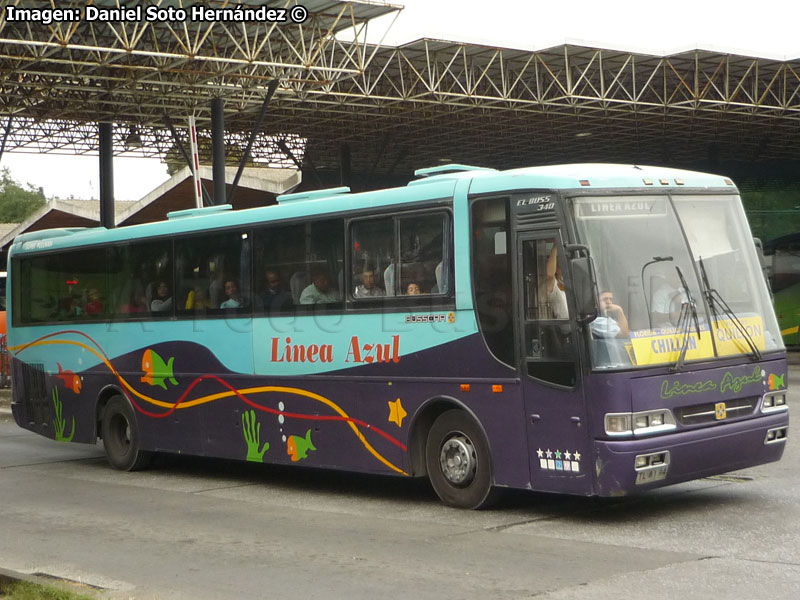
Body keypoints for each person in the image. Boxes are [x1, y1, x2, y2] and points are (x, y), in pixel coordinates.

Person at [544, 243, 568, 319]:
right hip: (565, 327)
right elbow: (550, 274)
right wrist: (555, 245)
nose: (563, 268)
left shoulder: (565, 284)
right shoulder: (552, 284)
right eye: (559, 265)